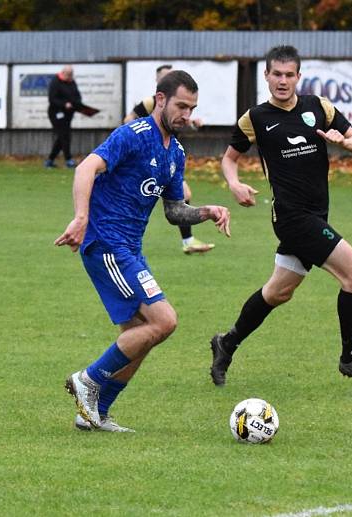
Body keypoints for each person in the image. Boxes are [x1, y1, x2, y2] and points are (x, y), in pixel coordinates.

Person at [55, 70, 231, 432]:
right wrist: (81, 217)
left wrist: (206, 211)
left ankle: (95, 413)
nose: (186, 114)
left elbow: (173, 212)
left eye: (192, 108)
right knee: (164, 321)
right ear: (161, 100)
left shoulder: (176, 152)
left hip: (129, 249)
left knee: (139, 336)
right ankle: (87, 380)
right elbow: (87, 167)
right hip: (106, 243)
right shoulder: (133, 136)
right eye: (181, 106)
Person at [208, 45, 352, 386]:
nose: (282, 80)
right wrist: (234, 184)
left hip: (317, 214)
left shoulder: (318, 107)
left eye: (289, 74)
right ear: (266, 76)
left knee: (278, 292)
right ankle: (350, 359)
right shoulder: (255, 118)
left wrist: (346, 143)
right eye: (276, 74)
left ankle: (226, 343)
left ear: (298, 77)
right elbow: (229, 158)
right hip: (291, 218)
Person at [125, 64, 214, 255]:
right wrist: (143, 138)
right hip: (151, 161)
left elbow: (180, 123)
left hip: (168, 159)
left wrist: (194, 125)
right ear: (158, 82)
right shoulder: (149, 103)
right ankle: (187, 240)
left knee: (181, 197)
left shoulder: (177, 106)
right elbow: (127, 120)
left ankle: (187, 240)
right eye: (165, 76)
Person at [45, 65, 82, 169]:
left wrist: (78, 104)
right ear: (63, 73)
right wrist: (64, 104)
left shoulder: (72, 82)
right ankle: (68, 160)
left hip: (68, 114)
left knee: (62, 137)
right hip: (56, 113)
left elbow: (77, 95)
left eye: (71, 75)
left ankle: (50, 160)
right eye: (69, 75)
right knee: (64, 136)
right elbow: (52, 99)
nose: (70, 77)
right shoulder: (55, 82)